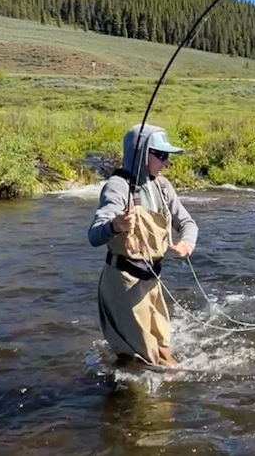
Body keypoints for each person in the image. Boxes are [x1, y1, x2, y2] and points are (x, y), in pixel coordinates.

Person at [88, 123, 198, 367]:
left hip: (151, 281)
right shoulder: (117, 187)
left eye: (167, 155)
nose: (166, 162)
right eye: (160, 155)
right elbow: (94, 236)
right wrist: (115, 225)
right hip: (124, 283)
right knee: (147, 362)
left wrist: (187, 242)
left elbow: (188, 223)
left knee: (164, 350)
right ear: (141, 153)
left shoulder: (162, 186)